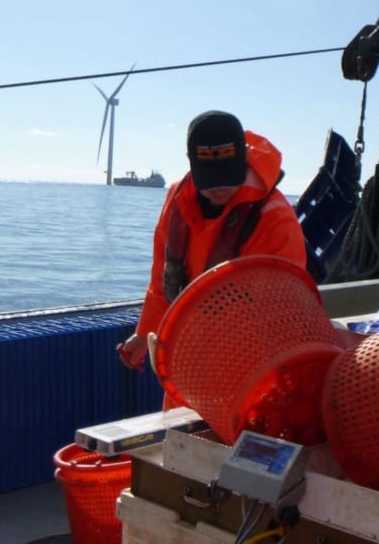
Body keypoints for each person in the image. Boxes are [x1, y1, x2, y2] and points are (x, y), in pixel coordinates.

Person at [117, 110, 307, 382]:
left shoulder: (275, 218)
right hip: (189, 360)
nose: (219, 188)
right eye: (210, 178)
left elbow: (281, 313)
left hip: (252, 365)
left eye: (228, 176)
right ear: (192, 164)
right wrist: (145, 330)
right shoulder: (177, 199)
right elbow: (163, 276)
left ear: (242, 159)